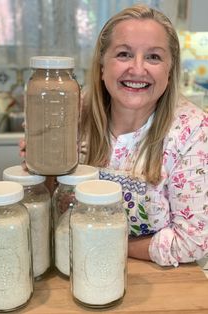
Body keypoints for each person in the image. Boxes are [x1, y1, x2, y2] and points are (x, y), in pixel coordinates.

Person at [20, 4, 208, 267]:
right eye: (123, 54)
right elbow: (53, 211)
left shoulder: (192, 130)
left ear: (169, 70)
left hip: (157, 279)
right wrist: (39, 171)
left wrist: (105, 239)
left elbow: (191, 242)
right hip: (74, 263)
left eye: (154, 57)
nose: (138, 69)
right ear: (101, 66)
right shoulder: (71, 110)